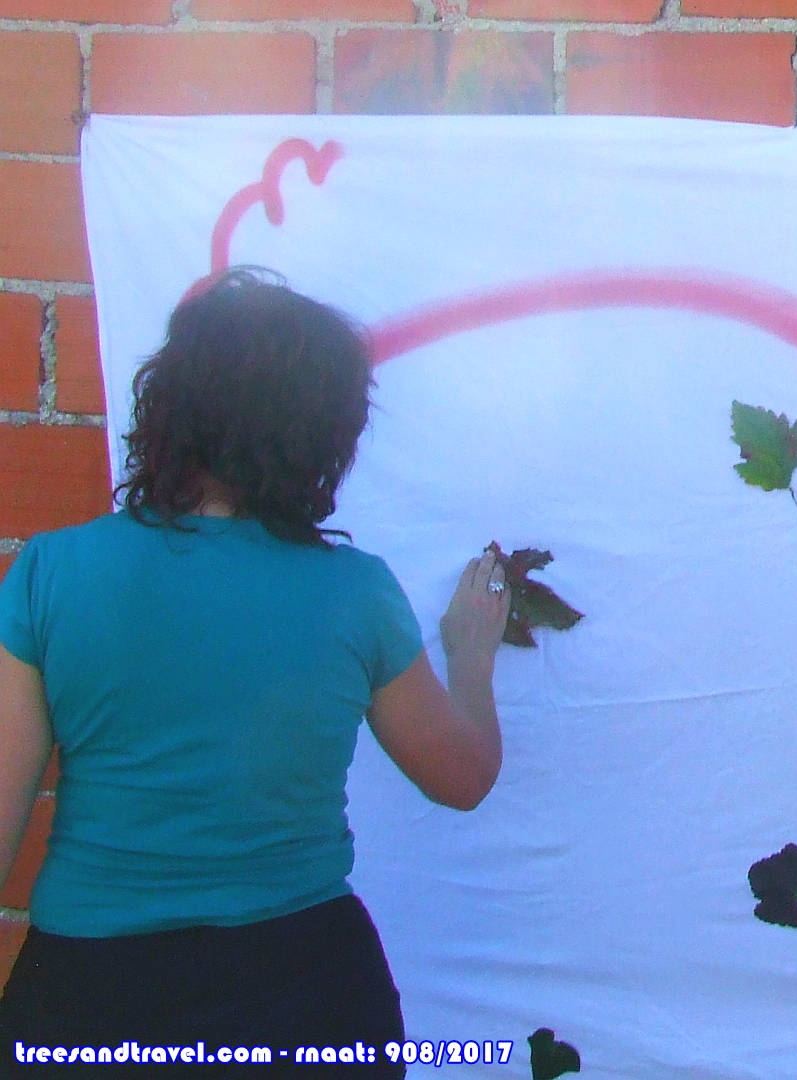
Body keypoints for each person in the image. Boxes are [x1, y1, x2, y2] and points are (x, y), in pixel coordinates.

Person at [0, 269, 509, 1075]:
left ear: (169, 406)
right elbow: (463, 777)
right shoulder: (355, 594)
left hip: (87, 1000)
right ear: (323, 436)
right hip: (307, 994)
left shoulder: (52, 573)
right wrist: (471, 656)